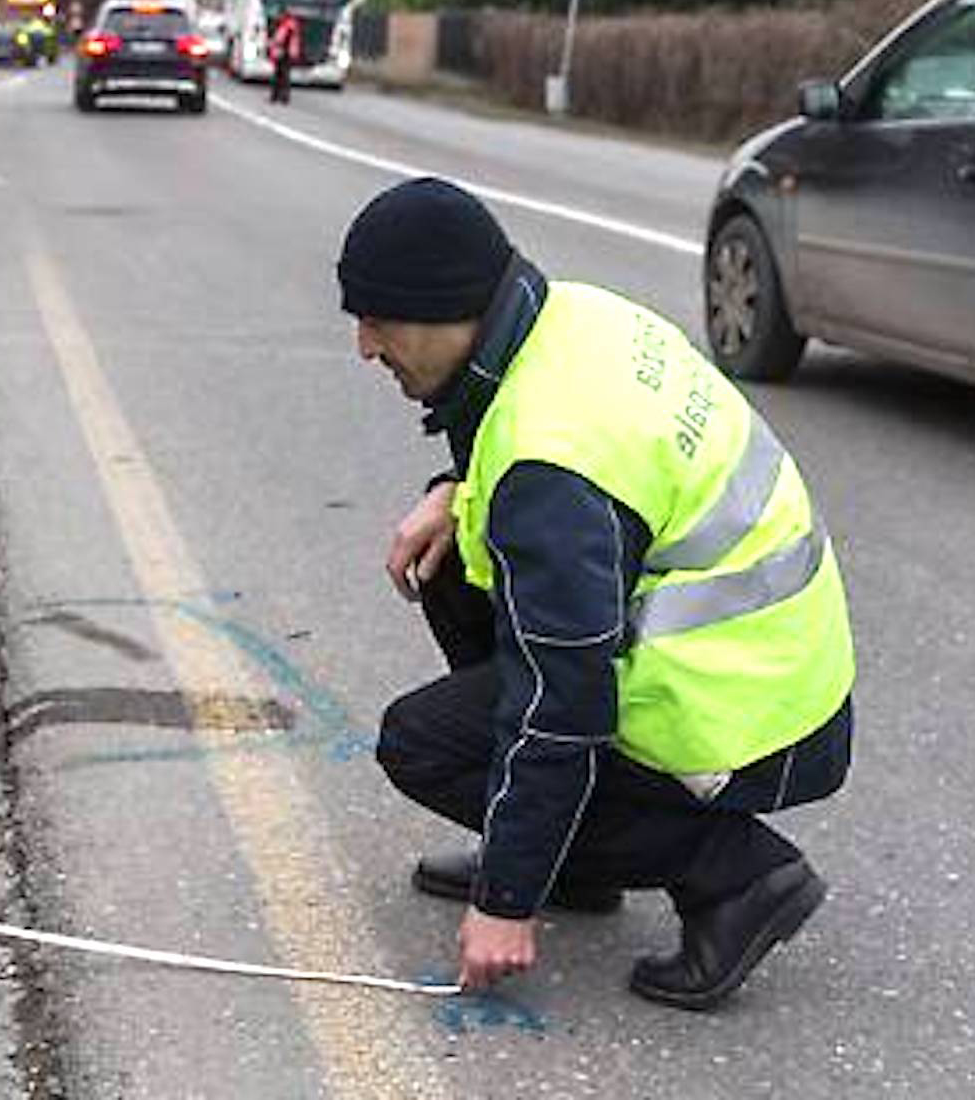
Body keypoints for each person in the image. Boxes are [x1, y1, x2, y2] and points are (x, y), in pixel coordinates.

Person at [337, 178, 854, 1011]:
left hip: (743, 709)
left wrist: (506, 898)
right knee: (457, 561)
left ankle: (735, 875)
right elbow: (580, 473)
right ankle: (575, 854)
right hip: (775, 660)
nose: (365, 346)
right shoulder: (560, 318)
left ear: (445, 310)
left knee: (420, 743)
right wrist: (454, 488)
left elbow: (564, 700)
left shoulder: (550, 466)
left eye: (379, 320)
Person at [266, 8, 303, 105]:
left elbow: (283, 39)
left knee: (281, 76)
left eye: (280, 15)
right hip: (286, 53)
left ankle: (278, 97)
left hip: (284, 53)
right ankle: (280, 97)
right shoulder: (288, 25)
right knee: (282, 76)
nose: (278, 17)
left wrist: (274, 44)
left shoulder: (288, 25)